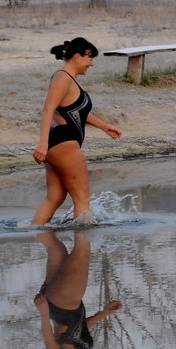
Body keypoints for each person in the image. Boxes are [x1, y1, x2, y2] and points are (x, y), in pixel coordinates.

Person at [32, 37, 122, 225]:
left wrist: (104, 126)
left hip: (59, 143)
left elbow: (78, 112)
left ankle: (35, 234)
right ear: (76, 56)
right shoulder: (62, 78)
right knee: (82, 198)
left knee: (55, 198)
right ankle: (83, 249)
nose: (92, 63)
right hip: (64, 142)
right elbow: (49, 108)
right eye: (89, 58)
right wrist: (42, 144)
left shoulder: (69, 80)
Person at [34, 230, 122, 349]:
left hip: (64, 304)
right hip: (61, 304)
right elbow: (79, 329)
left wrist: (43, 313)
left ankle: (83, 212)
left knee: (82, 248)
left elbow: (49, 342)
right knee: (54, 246)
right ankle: (39, 219)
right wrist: (104, 313)